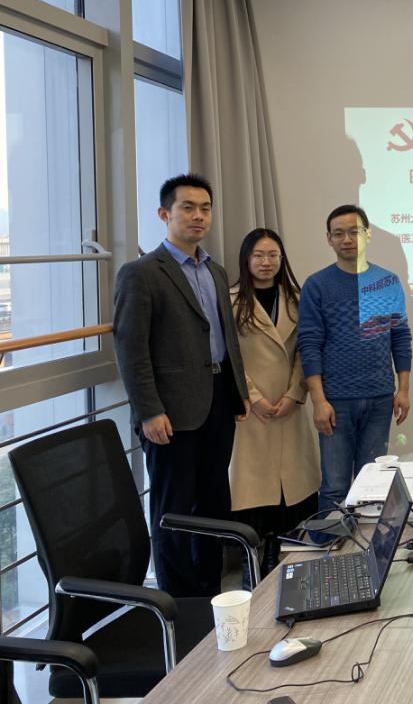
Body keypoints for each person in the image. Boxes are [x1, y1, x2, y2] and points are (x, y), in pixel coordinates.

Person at [112, 173, 248, 597]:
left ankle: (210, 593)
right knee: (172, 509)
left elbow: (225, 338)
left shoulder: (215, 270)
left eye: (205, 208)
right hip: (169, 412)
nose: (198, 216)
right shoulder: (141, 273)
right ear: (164, 214)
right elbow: (131, 349)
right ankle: (178, 604)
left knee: (213, 502)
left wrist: (238, 393)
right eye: (187, 207)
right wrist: (149, 410)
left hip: (218, 402)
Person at [298, 205, 412, 513]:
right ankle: (330, 542)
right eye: (339, 233)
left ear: (367, 235)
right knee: (335, 485)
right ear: (329, 239)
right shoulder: (317, 285)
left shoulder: (387, 282)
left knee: (373, 484)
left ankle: (370, 544)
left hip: (379, 397)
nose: (347, 239)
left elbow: (400, 337)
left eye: (354, 232)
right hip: (336, 401)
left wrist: (403, 389)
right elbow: (309, 344)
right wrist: (318, 401)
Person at [229, 228, 319, 576]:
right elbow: (229, 356)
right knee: (254, 490)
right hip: (251, 412)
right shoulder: (230, 300)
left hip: (289, 407)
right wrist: (253, 396)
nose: (266, 262)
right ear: (246, 259)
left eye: (273, 255)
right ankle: (256, 561)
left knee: (292, 489)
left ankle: (283, 555)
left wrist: (295, 393)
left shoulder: (298, 299)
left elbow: (306, 351)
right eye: (258, 255)